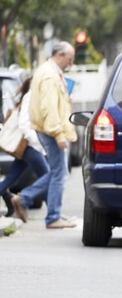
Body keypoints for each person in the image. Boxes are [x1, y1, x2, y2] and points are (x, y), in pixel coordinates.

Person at [27, 41, 77, 229]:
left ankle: (50, 211)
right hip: (51, 130)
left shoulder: (50, 71)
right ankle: (50, 215)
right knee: (59, 173)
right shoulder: (49, 75)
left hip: (48, 128)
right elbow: (49, 108)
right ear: (60, 55)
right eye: (70, 59)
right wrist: (58, 134)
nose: (71, 63)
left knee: (58, 172)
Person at [0, 78, 50, 222]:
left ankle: (53, 213)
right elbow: (25, 126)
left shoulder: (30, 100)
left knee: (11, 178)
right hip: (29, 147)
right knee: (47, 177)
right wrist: (37, 143)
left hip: (26, 147)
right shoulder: (30, 100)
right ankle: (53, 213)